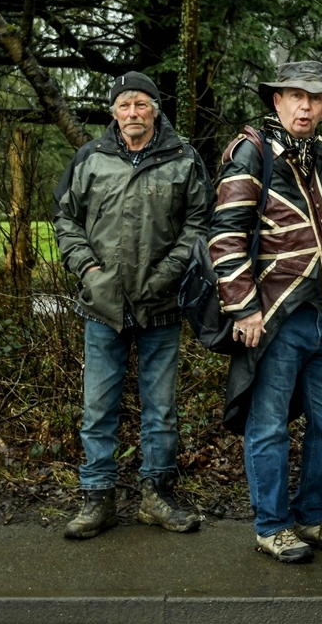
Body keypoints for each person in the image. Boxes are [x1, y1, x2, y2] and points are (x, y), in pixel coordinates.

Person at [207, 61, 322, 564]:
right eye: (296, 95)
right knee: (268, 424)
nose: (306, 106)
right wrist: (244, 308)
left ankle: (314, 517)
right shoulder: (251, 151)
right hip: (276, 316)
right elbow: (225, 234)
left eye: (315, 99)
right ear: (277, 101)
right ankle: (272, 526)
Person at [54, 71, 212, 539]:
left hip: (161, 306)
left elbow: (200, 224)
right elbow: (66, 218)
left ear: (156, 109)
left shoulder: (183, 159)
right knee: (98, 407)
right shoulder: (92, 158)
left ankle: (156, 495)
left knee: (160, 409)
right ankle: (97, 498)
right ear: (113, 112)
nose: (133, 113)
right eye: (124, 105)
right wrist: (88, 271)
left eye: (141, 104)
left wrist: (168, 274)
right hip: (103, 307)